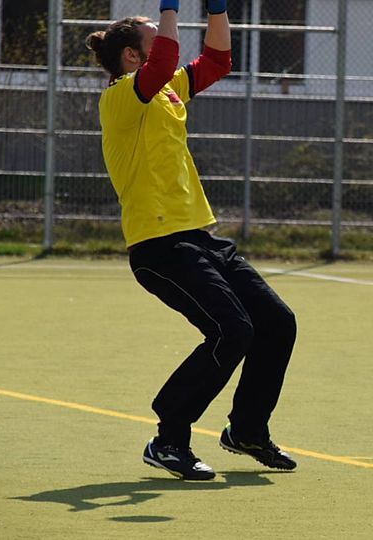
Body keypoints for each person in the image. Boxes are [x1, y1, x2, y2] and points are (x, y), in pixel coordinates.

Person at [86, 0, 298, 480]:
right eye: (155, 35)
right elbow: (165, 60)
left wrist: (217, 7)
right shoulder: (121, 97)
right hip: (159, 246)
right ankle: (168, 440)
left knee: (277, 322)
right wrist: (170, 5)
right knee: (231, 330)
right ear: (132, 57)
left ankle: (247, 431)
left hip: (199, 238)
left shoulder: (164, 91)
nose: (168, 41)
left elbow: (218, 61)